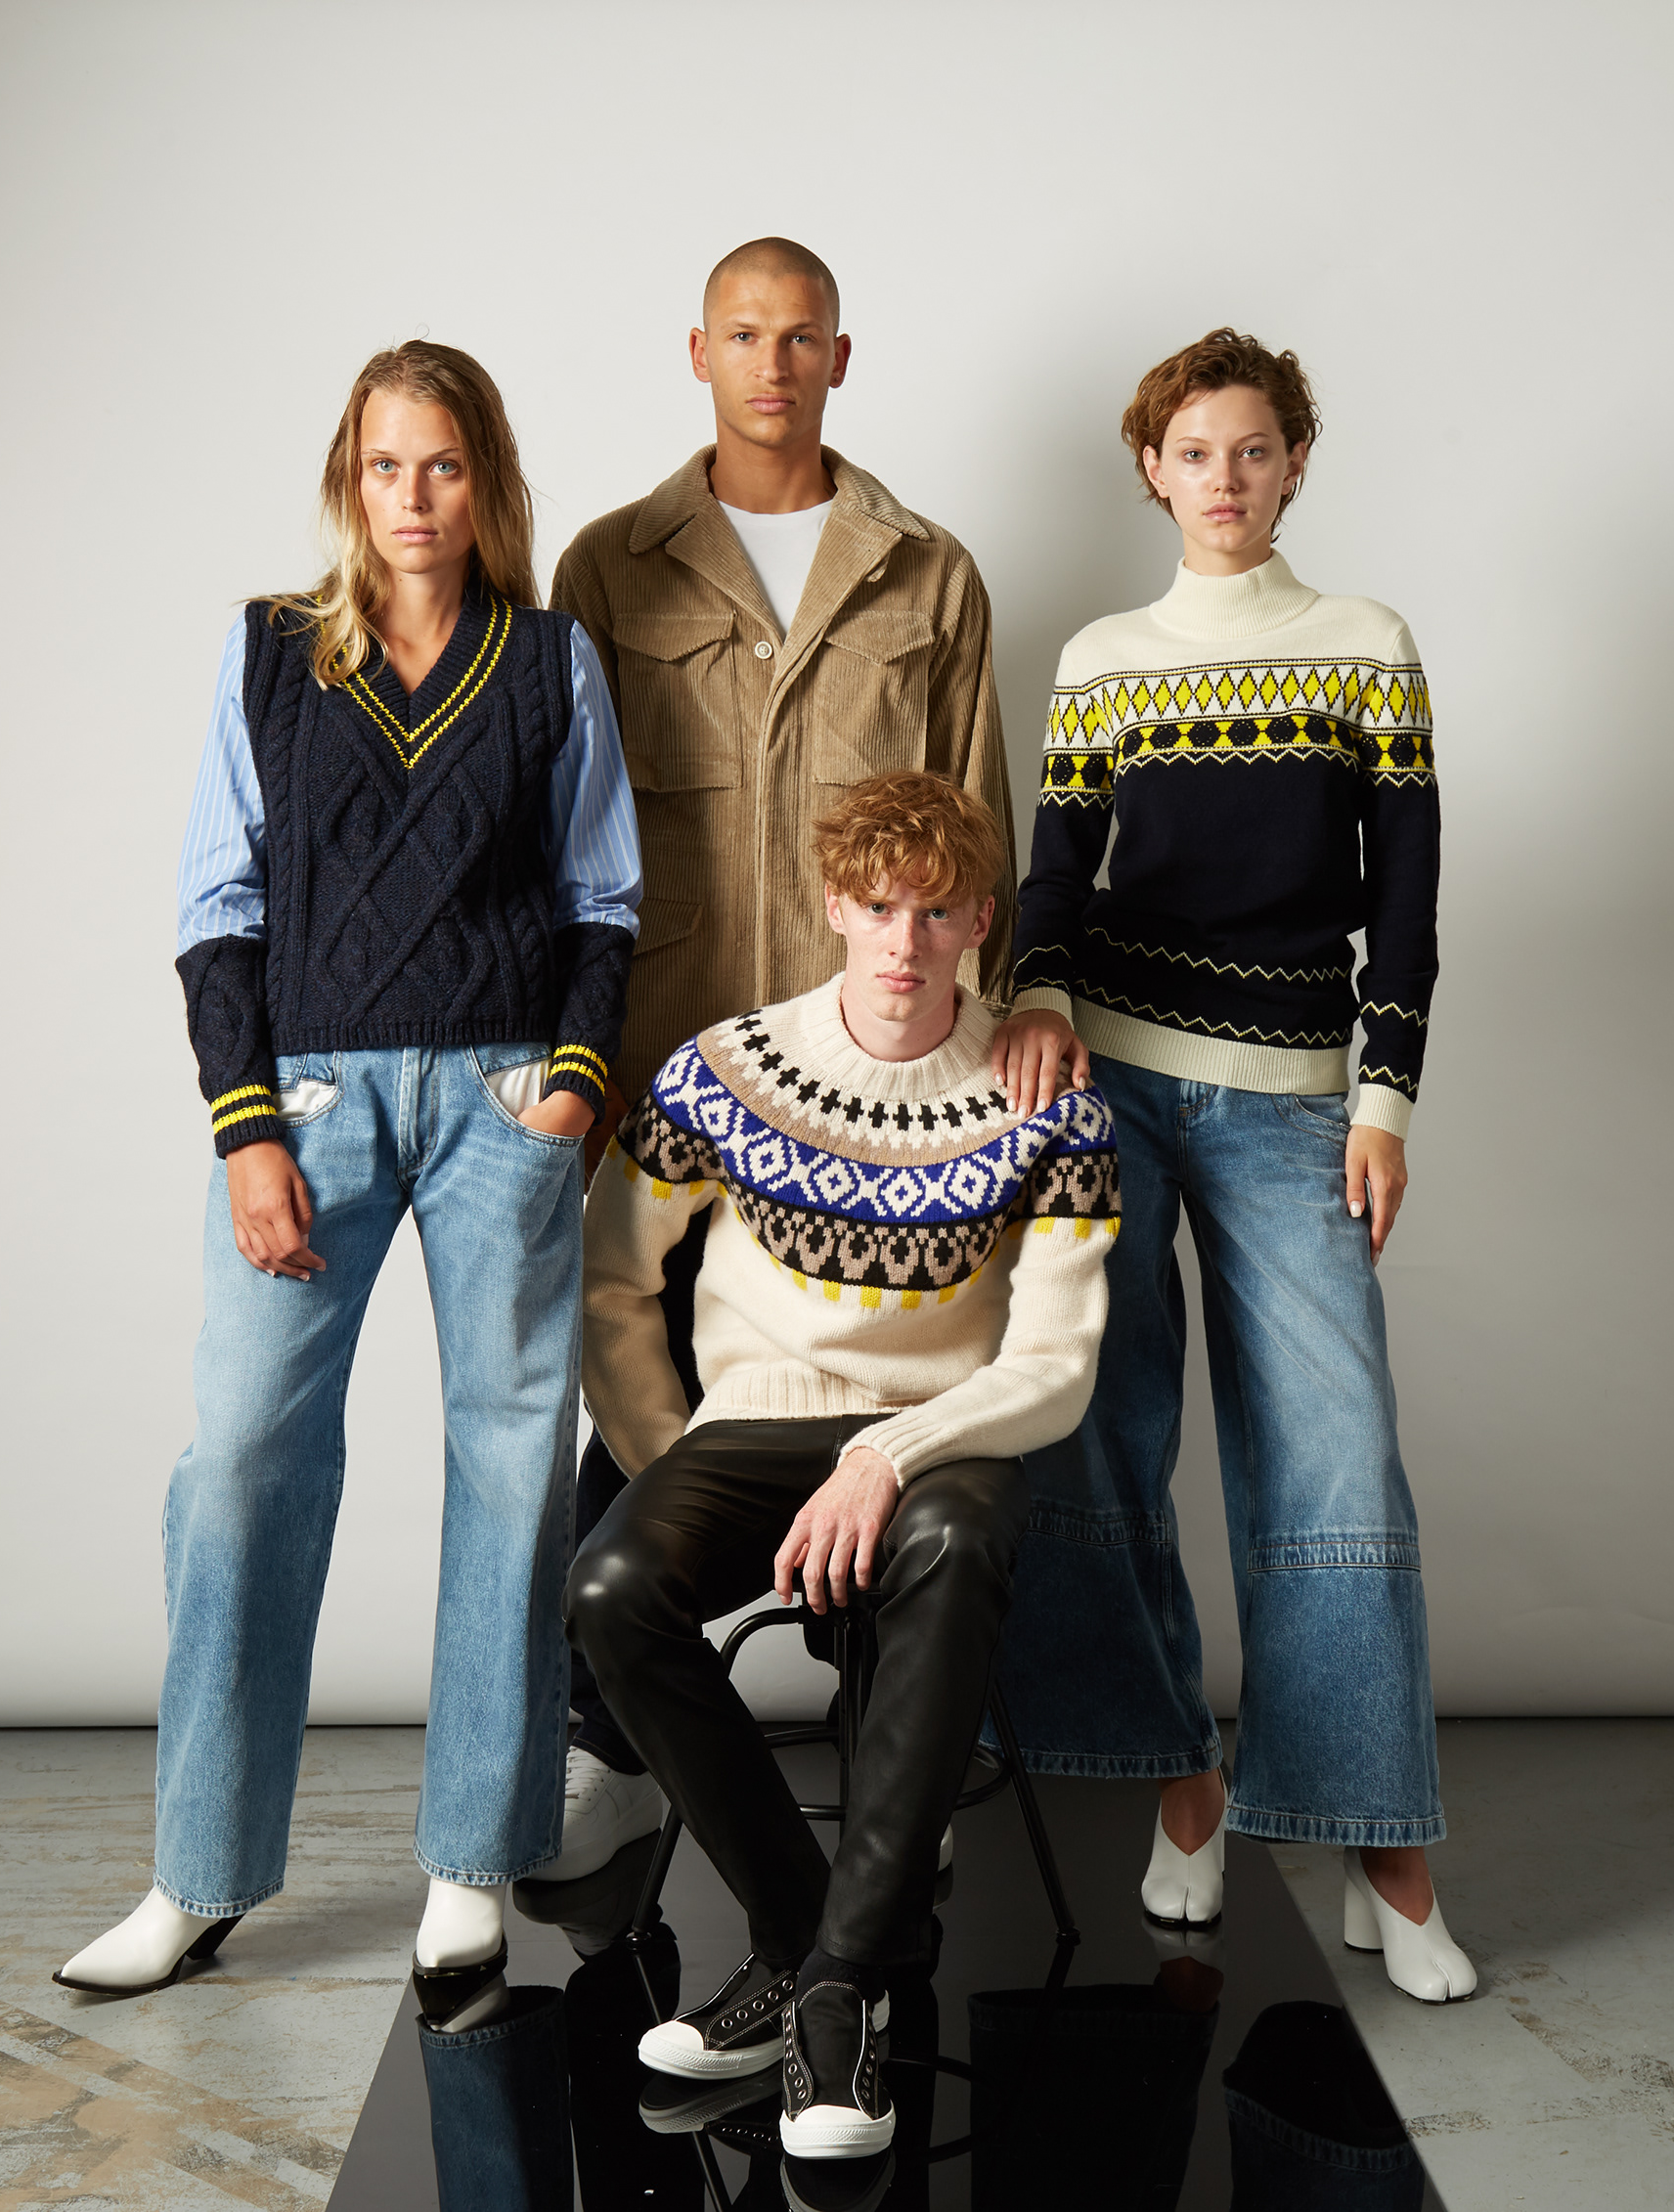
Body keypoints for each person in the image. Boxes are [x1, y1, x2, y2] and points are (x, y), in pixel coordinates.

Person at [54, 342, 641, 2003]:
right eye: (386, 466)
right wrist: (247, 1125)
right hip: (309, 1102)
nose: (413, 497)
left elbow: (604, 901)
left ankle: (472, 1860)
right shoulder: (270, 654)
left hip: (504, 1096)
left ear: (486, 480)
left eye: (443, 465)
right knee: (242, 1458)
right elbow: (215, 911)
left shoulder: (551, 662)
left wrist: (570, 1094)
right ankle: (197, 1873)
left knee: (511, 1465)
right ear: (348, 478)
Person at [992, 329, 1476, 2004]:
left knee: (1335, 1460)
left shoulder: (1366, 647)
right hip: (1112, 1088)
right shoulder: (1102, 659)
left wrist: (1385, 1100)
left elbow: (1405, 897)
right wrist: (1037, 1001)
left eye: (1253, 449)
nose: (1224, 477)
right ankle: (1180, 1786)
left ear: (1295, 465)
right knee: (1101, 1433)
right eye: (1194, 451)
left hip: (1292, 1104)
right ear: (1153, 469)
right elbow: (1055, 878)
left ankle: (1381, 1852)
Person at [544, 237, 1015, 1880]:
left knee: (892, 1397)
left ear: (840, 357)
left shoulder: (926, 573)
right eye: (743, 333)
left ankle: (897, 1771)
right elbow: (565, 839)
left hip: (884, 1093)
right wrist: (574, 1055)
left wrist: (981, 1071)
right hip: (667, 1081)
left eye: (801, 335)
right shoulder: (612, 569)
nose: (773, 361)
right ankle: (608, 1744)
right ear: (699, 352)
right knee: (640, 1405)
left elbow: (978, 837)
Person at [566, 772, 1118, 2157]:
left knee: (954, 1541)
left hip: (947, 1435)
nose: (903, 943)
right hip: (752, 1430)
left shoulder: (1050, 1103)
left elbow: (1054, 1365)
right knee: (612, 1585)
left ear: (981, 921)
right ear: (834, 907)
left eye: (936, 913)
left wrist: (888, 1452)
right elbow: (611, 1276)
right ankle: (813, 1945)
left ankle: (833, 1991)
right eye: (879, 908)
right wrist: (670, 1459)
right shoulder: (727, 1068)